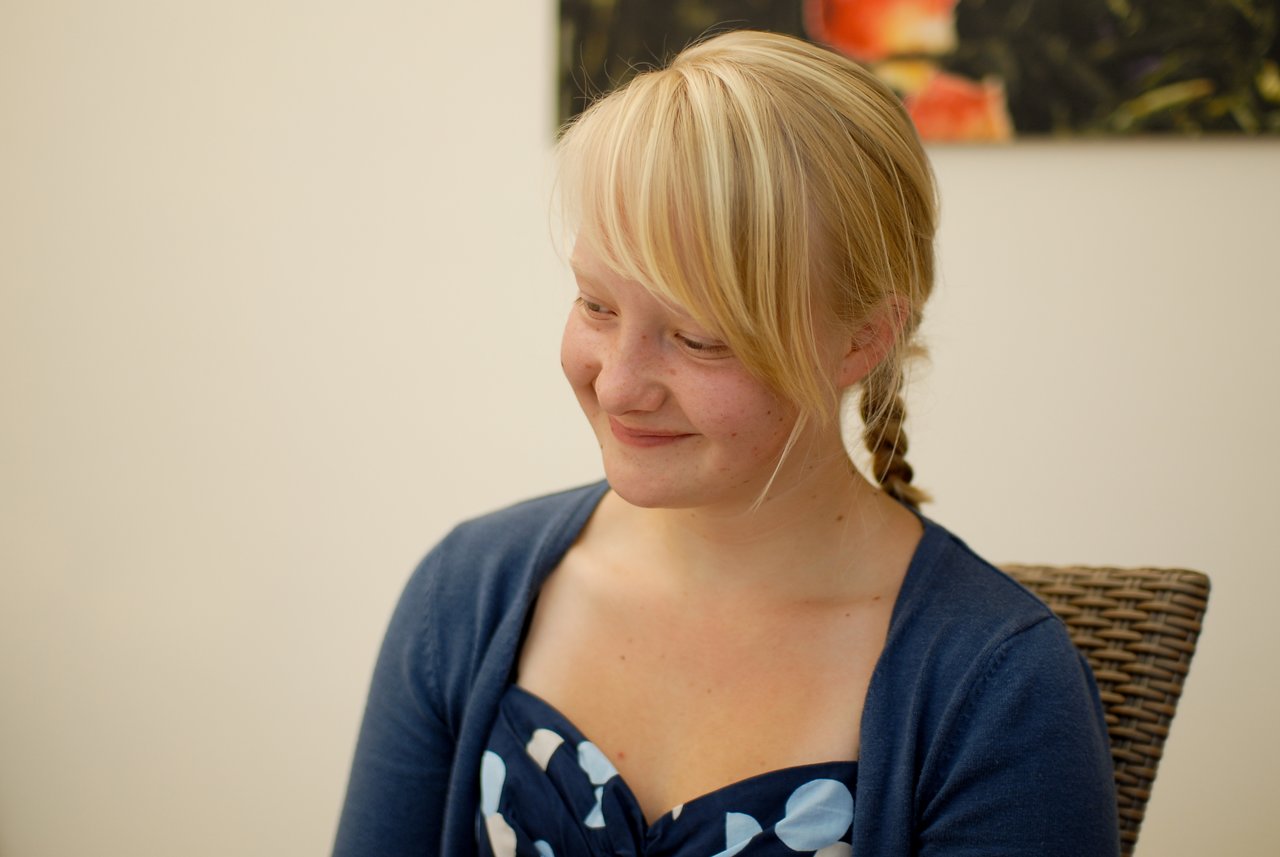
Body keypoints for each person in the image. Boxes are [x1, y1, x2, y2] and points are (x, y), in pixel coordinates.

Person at [333, 30, 1119, 857]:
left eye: (698, 338)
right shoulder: (465, 595)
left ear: (861, 339)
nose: (617, 384)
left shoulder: (999, 689)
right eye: (596, 306)